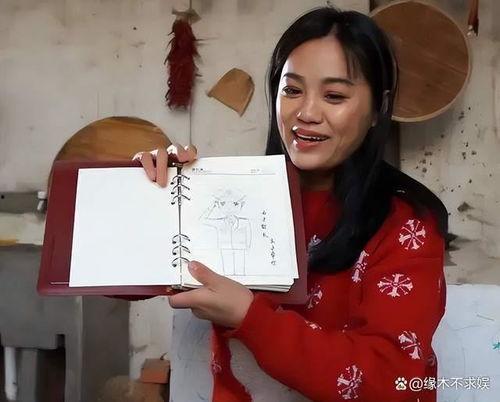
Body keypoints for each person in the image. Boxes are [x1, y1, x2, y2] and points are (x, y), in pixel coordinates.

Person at [134, 6, 449, 402]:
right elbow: (121, 275)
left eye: (334, 96)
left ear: (378, 109)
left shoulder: (407, 225)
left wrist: (252, 319)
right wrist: (149, 195)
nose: (307, 113)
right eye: (292, 90)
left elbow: (393, 381)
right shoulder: (235, 196)